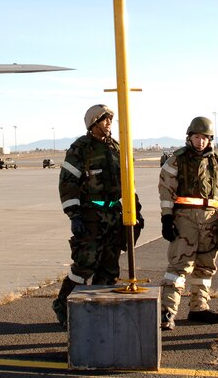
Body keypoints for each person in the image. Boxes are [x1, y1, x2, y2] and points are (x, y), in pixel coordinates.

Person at [51, 104, 143, 327]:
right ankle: (63, 305)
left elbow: (127, 180)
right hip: (91, 214)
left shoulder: (116, 147)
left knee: (110, 267)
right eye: (104, 119)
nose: (109, 123)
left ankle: (99, 309)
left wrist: (135, 207)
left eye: (110, 119)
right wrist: (74, 215)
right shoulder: (80, 148)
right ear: (93, 124)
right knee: (85, 264)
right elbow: (68, 183)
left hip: (114, 212)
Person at [158, 116, 218, 330]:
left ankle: (199, 307)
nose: (200, 142)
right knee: (179, 266)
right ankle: (167, 312)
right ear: (190, 137)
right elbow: (166, 188)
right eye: (197, 137)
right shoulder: (177, 160)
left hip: (211, 220)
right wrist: (167, 217)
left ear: (210, 139)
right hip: (185, 220)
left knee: (205, 267)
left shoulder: (217, 162)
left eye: (204, 138)